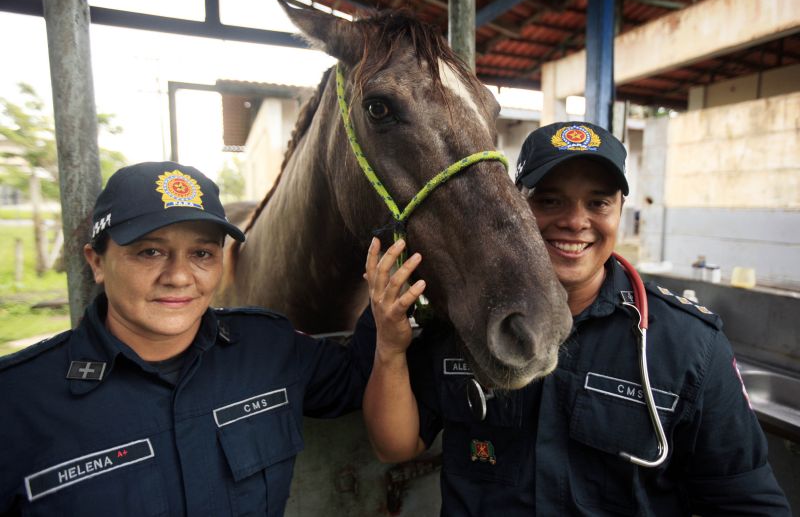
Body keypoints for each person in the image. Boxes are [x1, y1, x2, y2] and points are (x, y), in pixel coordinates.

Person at [362, 122, 791, 515]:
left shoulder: (690, 347)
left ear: (620, 209)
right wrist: (390, 345)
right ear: (516, 206)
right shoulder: (464, 320)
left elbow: (749, 504)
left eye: (598, 202)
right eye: (549, 200)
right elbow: (397, 446)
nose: (574, 221)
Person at [0, 161, 376, 516]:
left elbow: (363, 374)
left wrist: (387, 301)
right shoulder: (17, 402)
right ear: (97, 261)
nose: (179, 276)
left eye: (201, 253)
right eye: (150, 251)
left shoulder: (269, 347)